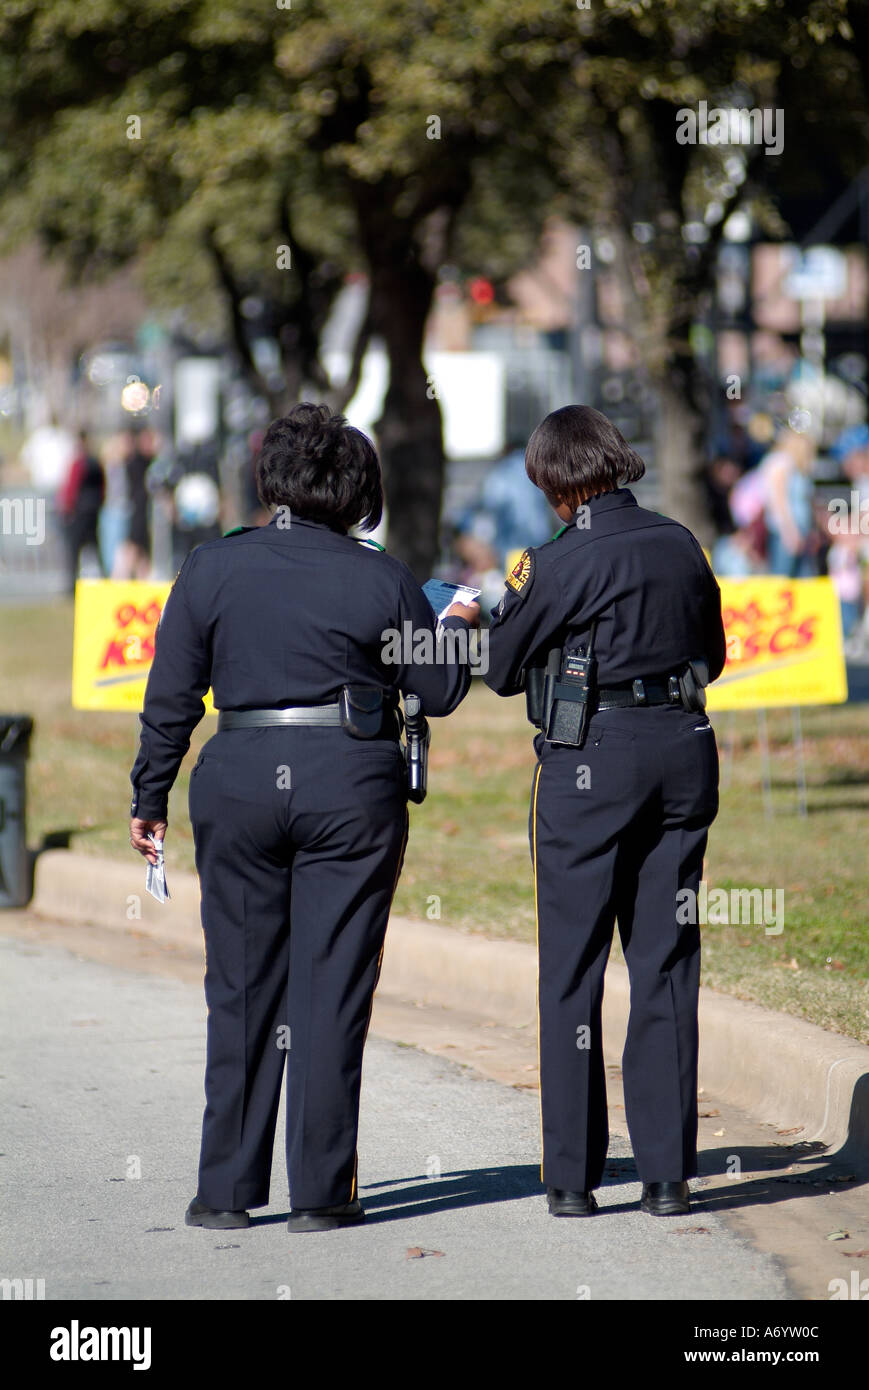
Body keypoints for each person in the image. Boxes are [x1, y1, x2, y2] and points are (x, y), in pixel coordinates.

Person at [128, 402, 479, 1233]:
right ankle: (321, 1195)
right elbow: (439, 691)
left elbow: (170, 697)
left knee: (241, 992)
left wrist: (149, 798)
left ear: (269, 480)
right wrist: (457, 621)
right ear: (358, 489)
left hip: (240, 778)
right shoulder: (382, 576)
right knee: (331, 990)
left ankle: (225, 1192)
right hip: (350, 783)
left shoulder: (211, 567)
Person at [484, 405, 726, 1220]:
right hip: (682, 751)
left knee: (573, 967)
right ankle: (666, 1175)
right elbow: (713, 657)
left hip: (592, 759)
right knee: (664, 962)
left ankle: (572, 1179)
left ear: (556, 485)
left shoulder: (554, 562)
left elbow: (501, 668)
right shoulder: (679, 542)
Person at [56, 429, 105, 592]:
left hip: (79, 513)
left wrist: (67, 508)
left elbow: (72, 488)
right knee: (95, 550)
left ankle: (72, 586)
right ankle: (103, 579)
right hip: (93, 512)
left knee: (74, 551)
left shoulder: (79, 464)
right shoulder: (95, 463)